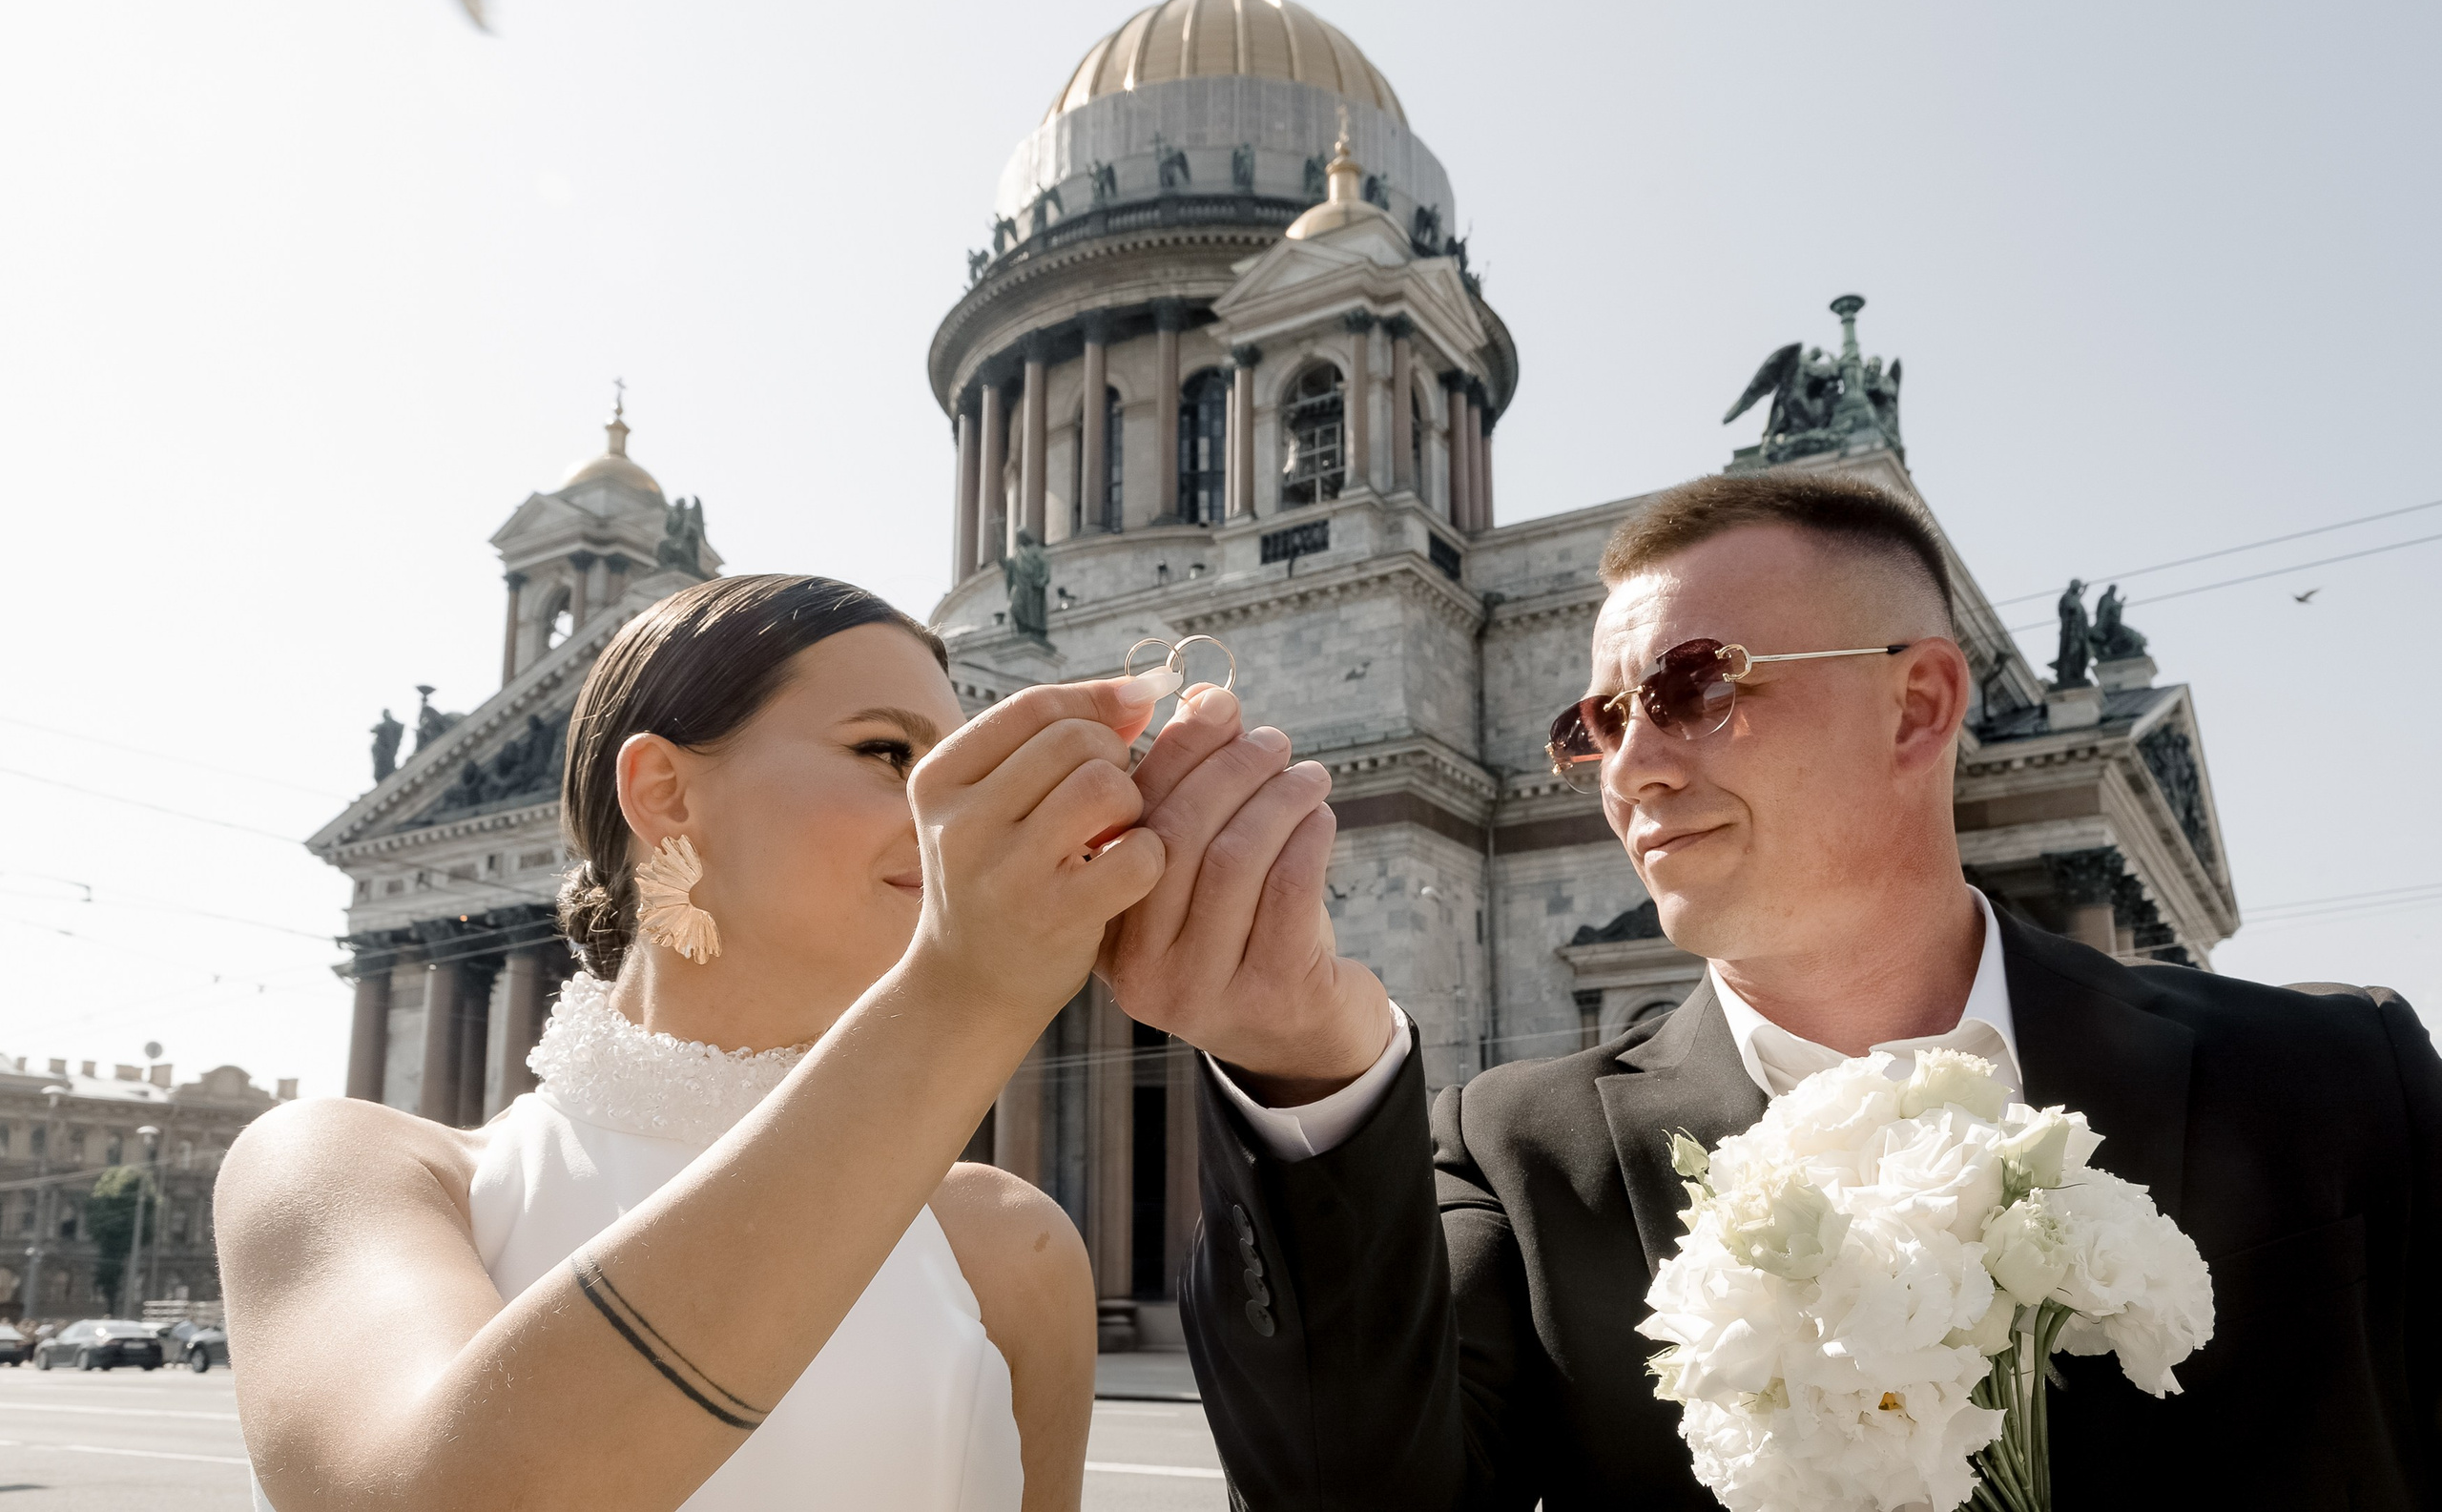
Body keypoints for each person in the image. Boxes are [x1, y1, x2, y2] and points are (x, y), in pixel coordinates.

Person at [1107, 473, 2442, 1510]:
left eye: (1693, 688)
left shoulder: (2339, 1077)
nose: (1631, 769)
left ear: (1919, 706)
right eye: (1596, 723)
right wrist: (1303, 1059)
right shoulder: (1518, 1162)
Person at [217, 573, 1205, 1512]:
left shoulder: (1007, 1244)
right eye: (887, 752)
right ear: (665, 792)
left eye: (962, 764)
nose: (954, 811)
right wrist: (964, 993)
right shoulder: (336, 1168)